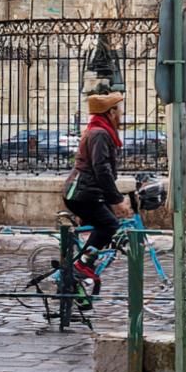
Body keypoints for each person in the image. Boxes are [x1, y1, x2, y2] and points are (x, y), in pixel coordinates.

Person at [62, 89, 130, 282]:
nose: (121, 114)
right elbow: (101, 170)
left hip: (88, 193)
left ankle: (79, 272)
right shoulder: (99, 133)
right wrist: (117, 199)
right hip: (82, 194)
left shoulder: (100, 130)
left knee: (109, 228)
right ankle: (82, 265)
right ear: (110, 113)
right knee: (109, 225)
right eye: (119, 110)